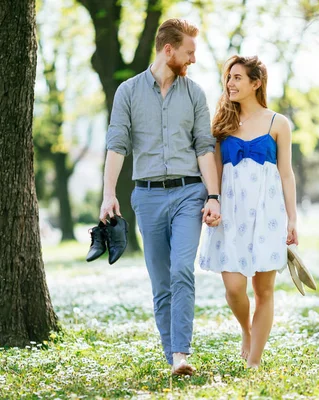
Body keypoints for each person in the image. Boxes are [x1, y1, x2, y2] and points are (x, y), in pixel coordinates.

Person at [99, 18, 221, 376]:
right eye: (188, 52)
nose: (193, 59)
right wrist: (109, 194)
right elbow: (116, 145)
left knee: (183, 269)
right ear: (169, 50)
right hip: (148, 197)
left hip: (188, 193)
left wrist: (212, 195)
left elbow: (204, 147)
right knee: (161, 281)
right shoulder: (128, 92)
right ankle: (173, 356)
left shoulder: (195, 93)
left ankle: (182, 353)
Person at [198, 55, 298, 368]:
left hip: (268, 213)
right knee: (234, 289)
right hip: (232, 213)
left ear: (256, 83)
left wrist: (292, 219)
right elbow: (213, 171)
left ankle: (254, 362)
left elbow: (286, 174)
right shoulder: (221, 126)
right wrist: (211, 200)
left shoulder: (278, 123)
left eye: (238, 77)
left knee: (263, 289)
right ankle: (246, 329)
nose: (230, 83)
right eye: (229, 77)